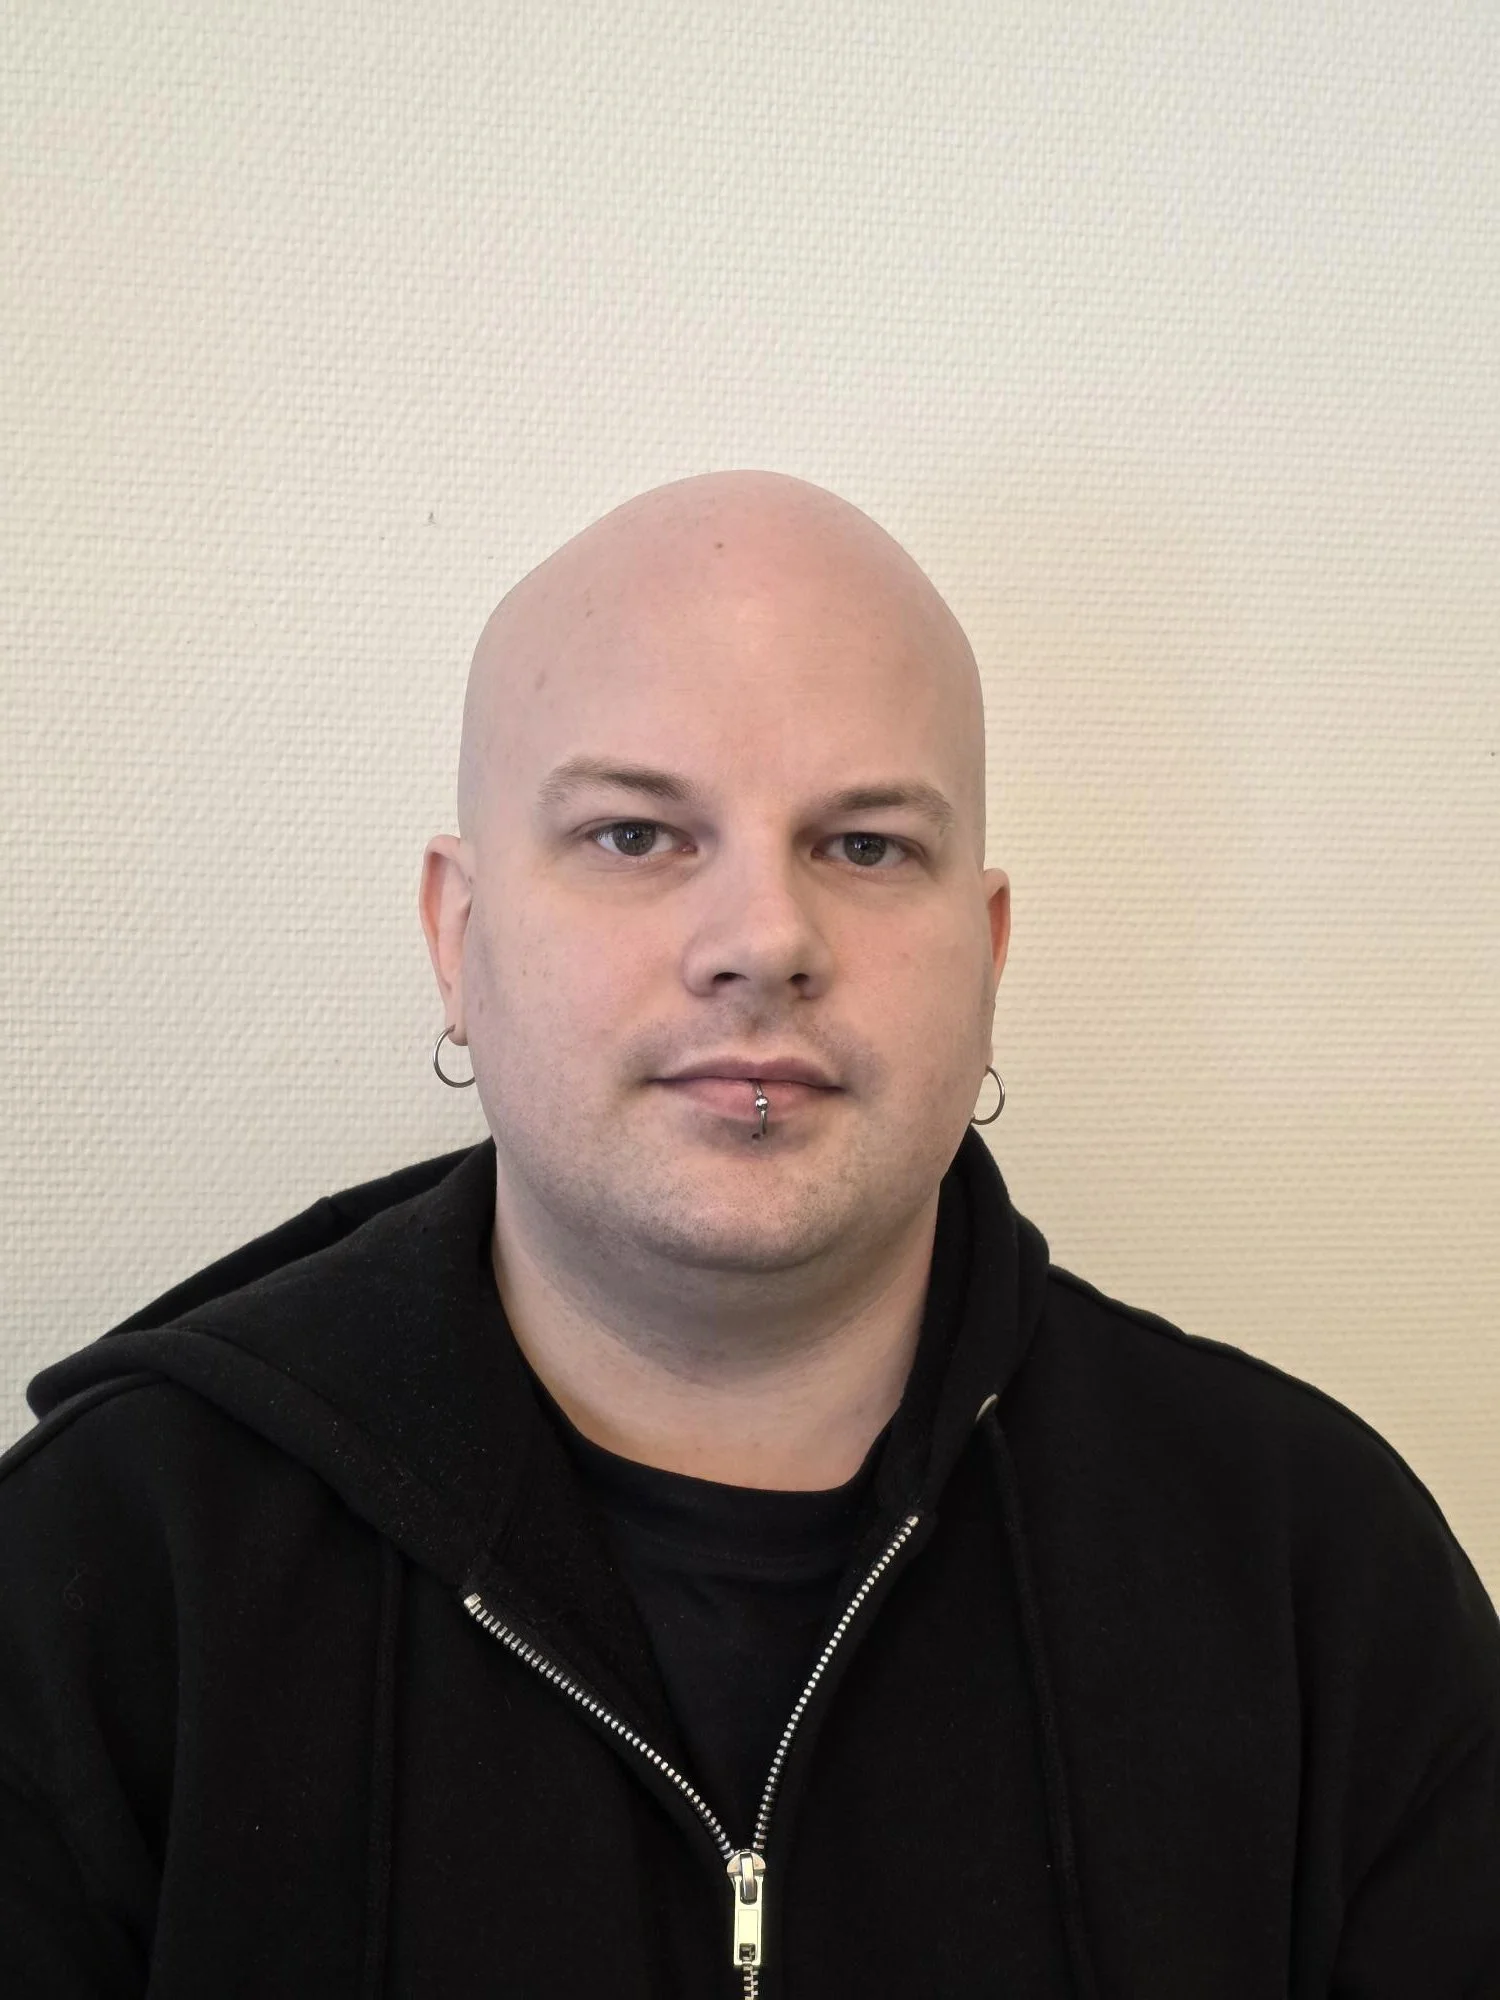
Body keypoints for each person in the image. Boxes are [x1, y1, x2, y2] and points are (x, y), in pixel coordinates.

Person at [1, 471, 1496, 1999]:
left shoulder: (1322, 1583)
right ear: (461, 940)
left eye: (863, 847)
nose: (764, 943)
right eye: (637, 835)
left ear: (984, 956)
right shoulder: (104, 1577)